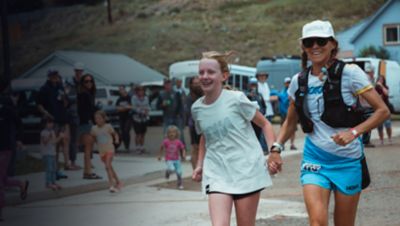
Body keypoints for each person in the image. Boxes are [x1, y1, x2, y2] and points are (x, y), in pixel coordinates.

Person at [274, 20, 390, 226]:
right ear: (303, 47)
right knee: (317, 222)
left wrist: (353, 132)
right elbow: (290, 122)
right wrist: (276, 148)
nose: (315, 46)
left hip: (347, 161)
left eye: (321, 41)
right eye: (309, 42)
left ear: (333, 44)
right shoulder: (298, 81)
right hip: (315, 160)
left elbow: (382, 111)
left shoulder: (351, 74)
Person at [191, 51, 279, 226]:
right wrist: (200, 165)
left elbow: (265, 124)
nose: (205, 76)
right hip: (217, 173)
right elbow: (205, 137)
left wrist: (273, 151)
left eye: (210, 72)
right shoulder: (197, 108)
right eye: (201, 72)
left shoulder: (236, 99)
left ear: (224, 76)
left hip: (246, 171)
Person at [0, 86, 29, 221]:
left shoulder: (7, 109)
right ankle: (21, 184)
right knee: (3, 179)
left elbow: (19, 124)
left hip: (5, 147)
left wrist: (18, 139)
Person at [37, 69, 71, 178]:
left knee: (60, 146)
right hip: (52, 121)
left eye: (56, 75)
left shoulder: (59, 87)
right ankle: (52, 171)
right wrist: (46, 113)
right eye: (53, 75)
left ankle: (56, 170)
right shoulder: (44, 89)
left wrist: (65, 97)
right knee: (52, 147)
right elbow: (39, 104)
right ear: (49, 76)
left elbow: (66, 102)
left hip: (62, 119)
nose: (55, 77)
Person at [91, 110, 122, 193]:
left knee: (107, 166)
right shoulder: (94, 128)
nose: (97, 120)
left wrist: (116, 139)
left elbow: (115, 133)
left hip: (110, 149)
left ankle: (111, 185)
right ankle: (118, 182)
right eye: (96, 118)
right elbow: (93, 137)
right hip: (102, 152)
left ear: (104, 119)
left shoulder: (108, 126)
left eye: (99, 118)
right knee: (110, 168)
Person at [77, 74, 102, 179]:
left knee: (89, 149)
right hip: (86, 124)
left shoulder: (88, 94)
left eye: (90, 81)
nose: (89, 83)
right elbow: (87, 110)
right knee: (88, 149)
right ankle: (87, 173)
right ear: (82, 83)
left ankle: (87, 172)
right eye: (86, 81)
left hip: (86, 123)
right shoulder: (84, 94)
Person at [65, 62, 85, 169]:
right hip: (70, 114)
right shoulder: (69, 82)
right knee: (69, 139)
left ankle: (73, 161)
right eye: (77, 71)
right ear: (75, 71)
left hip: (79, 114)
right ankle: (70, 162)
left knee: (77, 139)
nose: (79, 73)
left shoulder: (83, 83)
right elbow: (67, 96)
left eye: (80, 71)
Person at [158, 125, 186, 190]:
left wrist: (183, 155)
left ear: (177, 133)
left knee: (179, 172)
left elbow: (183, 148)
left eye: (173, 132)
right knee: (172, 169)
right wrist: (159, 155)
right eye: (170, 132)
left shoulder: (178, 142)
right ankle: (167, 172)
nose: (171, 134)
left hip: (177, 160)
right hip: (169, 160)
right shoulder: (166, 141)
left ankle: (180, 184)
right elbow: (161, 147)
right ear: (167, 134)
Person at [185, 77, 203, 169]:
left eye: (198, 83)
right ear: (191, 85)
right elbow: (189, 113)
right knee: (195, 147)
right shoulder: (189, 98)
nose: (197, 85)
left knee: (202, 148)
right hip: (194, 125)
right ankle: (195, 169)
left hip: (203, 125)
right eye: (195, 83)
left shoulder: (203, 94)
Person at [40, 118, 63, 190]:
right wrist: (49, 136)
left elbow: (54, 142)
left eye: (51, 123)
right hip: (47, 154)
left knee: (54, 169)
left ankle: (53, 182)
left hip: (53, 153)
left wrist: (60, 137)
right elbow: (44, 142)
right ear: (44, 124)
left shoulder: (52, 132)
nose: (50, 125)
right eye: (48, 123)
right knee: (49, 169)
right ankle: (48, 183)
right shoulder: (43, 132)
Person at [277, 77, 297, 150]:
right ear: (284, 83)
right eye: (287, 82)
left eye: (289, 82)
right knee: (284, 128)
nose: (288, 84)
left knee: (293, 129)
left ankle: (292, 144)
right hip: (284, 113)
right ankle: (282, 144)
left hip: (292, 112)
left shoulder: (293, 91)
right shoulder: (282, 93)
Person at [131, 85, 150, 154]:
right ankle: (137, 148)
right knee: (138, 134)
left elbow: (147, 106)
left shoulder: (146, 98)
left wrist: (146, 110)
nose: (141, 92)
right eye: (139, 90)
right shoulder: (134, 98)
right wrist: (142, 110)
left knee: (143, 133)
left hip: (144, 118)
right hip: (137, 118)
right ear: (137, 91)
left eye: (142, 90)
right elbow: (134, 108)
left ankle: (142, 147)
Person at [361, 63, 376, 148]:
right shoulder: (366, 78)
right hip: (366, 105)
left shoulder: (369, 78)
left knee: (368, 123)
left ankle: (366, 140)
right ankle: (366, 141)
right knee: (368, 123)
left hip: (367, 104)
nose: (373, 73)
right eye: (372, 71)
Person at [375, 75, 392, 145]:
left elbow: (386, 93)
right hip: (378, 108)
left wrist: (381, 86)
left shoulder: (385, 87)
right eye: (379, 79)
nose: (380, 81)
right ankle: (381, 140)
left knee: (388, 124)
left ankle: (389, 138)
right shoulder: (375, 88)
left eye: (382, 79)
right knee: (379, 126)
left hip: (386, 108)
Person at [115, 85, 132, 152]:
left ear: (125, 90)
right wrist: (125, 108)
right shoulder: (119, 99)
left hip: (128, 117)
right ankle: (125, 147)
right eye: (120, 90)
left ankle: (127, 147)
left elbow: (131, 106)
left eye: (122, 89)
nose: (121, 91)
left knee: (126, 131)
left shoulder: (129, 98)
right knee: (122, 132)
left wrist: (122, 108)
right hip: (121, 118)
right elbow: (117, 108)